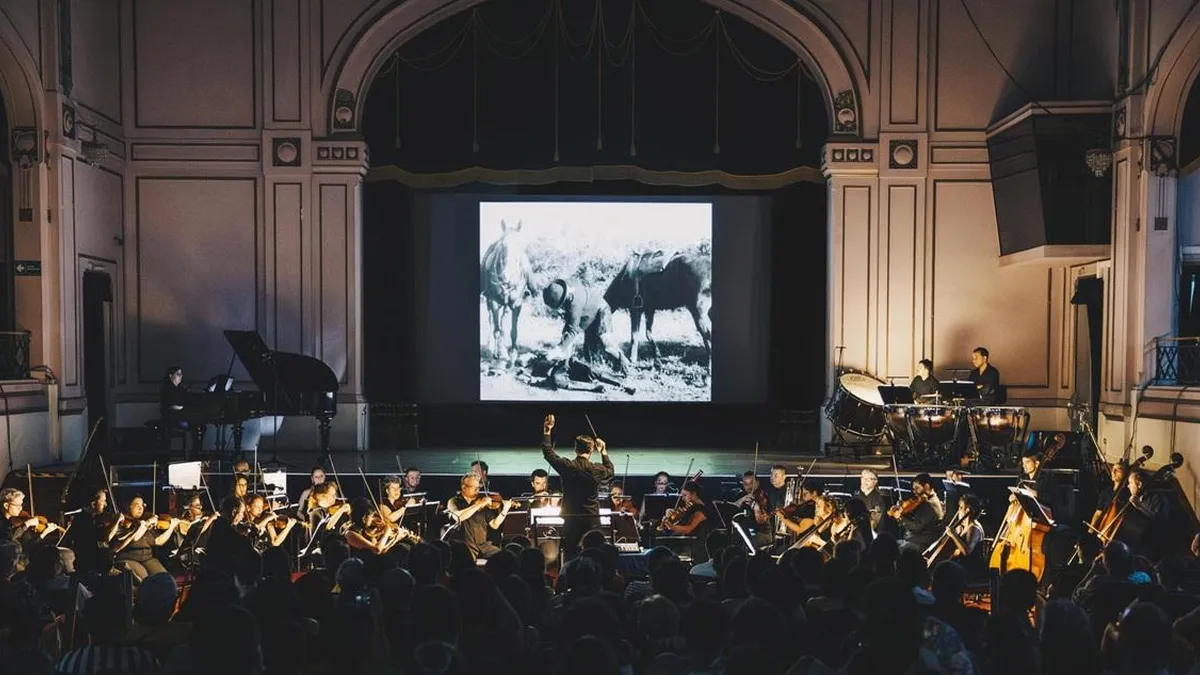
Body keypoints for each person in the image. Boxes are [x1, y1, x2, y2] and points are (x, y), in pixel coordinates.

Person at [540, 413, 614, 560]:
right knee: (594, 556)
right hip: (591, 519)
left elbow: (548, 453)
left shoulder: (568, 466)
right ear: (591, 450)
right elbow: (610, 471)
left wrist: (547, 431)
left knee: (570, 556)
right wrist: (604, 451)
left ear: (575, 449)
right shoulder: (596, 469)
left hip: (571, 519)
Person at [542, 278, 630, 373]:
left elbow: (572, 331)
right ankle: (568, 364)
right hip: (589, 316)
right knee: (590, 357)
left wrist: (558, 349)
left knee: (607, 345)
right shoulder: (569, 285)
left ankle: (625, 364)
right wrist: (563, 348)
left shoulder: (574, 306)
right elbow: (568, 328)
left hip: (602, 311)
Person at [107, 495, 180, 581]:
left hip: (147, 558)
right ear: (128, 506)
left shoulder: (145, 520)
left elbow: (159, 541)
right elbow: (134, 538)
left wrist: (171, 527)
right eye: (137, 505)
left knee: (165, 579)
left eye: (142, 505)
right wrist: (147, 523)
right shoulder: (122, 523)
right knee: (145, 580)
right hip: (128, 558)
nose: (141, 508)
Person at [445, 474, 514, 560]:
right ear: (464, 488)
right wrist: (479, 504)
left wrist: (504, 510)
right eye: (474, 487)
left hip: (483, 545)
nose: (478, 490)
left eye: (478, 487)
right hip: (465, 546)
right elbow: (459, 517)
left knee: (504, 556)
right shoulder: (453, 501)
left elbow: (494, 525)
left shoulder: (482, 502)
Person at [888, 473, 943, 552]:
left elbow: (917, 527)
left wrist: (900, 518)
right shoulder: (927, 501)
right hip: (914, 540)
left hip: (920, 544)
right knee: (888, 544)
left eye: (917, 488)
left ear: (927, 486)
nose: (914, 491)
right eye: (913, 489)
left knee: (890, 550)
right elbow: (919, 518)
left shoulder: (930, 505)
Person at [854, 468, 891, 533]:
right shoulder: (856, 496)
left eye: (869, 479)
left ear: (875, 481)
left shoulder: (879, 498)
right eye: (863, 478)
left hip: (872, 534)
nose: (865, 481)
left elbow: (875, 520)